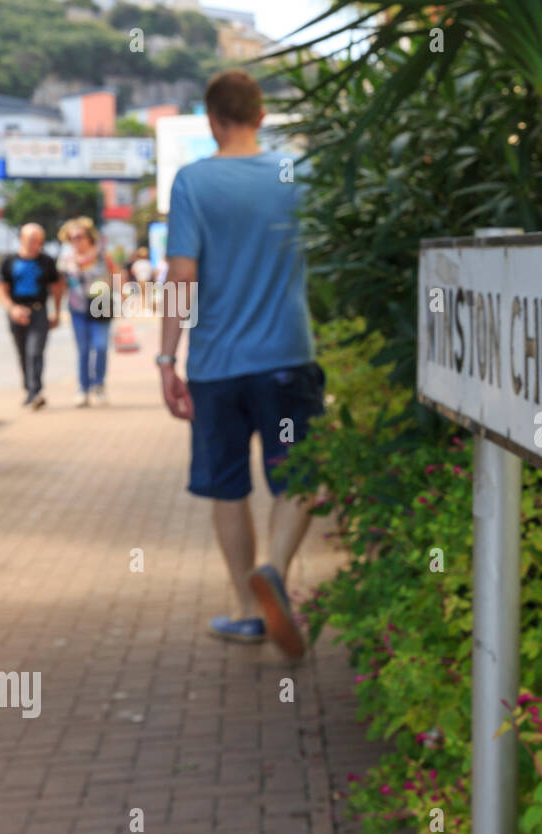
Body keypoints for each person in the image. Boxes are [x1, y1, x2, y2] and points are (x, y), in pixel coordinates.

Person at [158, 69, 323, 659]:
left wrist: (165, 359)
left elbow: (182, 275)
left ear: (211, 121)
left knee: (227, 487)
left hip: (216, 366)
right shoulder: (295, 176)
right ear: (260, 116)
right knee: (302, 475)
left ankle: (248, 611)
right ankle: (274, 567)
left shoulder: (193, 182)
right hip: (287, 359)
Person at [0, 223, 63, 410]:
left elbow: (57, 286)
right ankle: (29, 389)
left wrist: (56, 311)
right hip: (16, 311)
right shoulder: (9, 262)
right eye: (31, 240)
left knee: (35, 351)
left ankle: (35, 391)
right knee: (23, 352)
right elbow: (1, 290)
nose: (35, 244)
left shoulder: (47, 261)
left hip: (39, 310)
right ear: (21, 239)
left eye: (39, 241)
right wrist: (12, 309)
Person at [58, 217, 118, 407]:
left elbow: (117, 275)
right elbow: (60, 285)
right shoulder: (66, 259)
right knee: (83, 349)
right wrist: (57, 309)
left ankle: (99, 385)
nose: (76, 240)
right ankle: (83, 388)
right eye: (72, 237)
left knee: (100, 347)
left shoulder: (102, 255)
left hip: (100, 306)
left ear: (88, 237)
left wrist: (126, 298)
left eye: (80, 236)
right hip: (77, 308)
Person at [130, 247, 153, 315]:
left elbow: (133, 271)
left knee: (140, 295)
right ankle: (146, 308)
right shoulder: (148, 263)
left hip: (139, 280)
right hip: (147, 280)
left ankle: (141, 308)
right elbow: (151, 272)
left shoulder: (137, 263)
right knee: (146, 295)